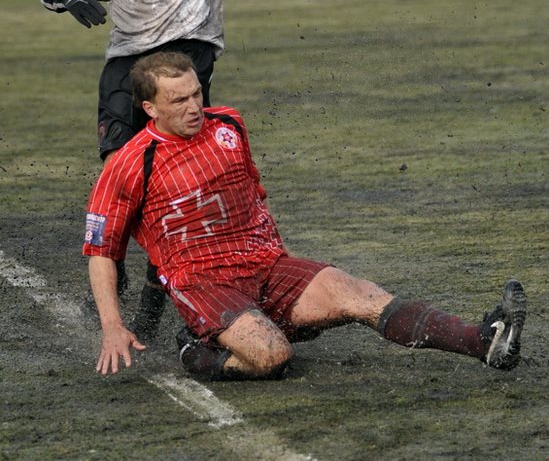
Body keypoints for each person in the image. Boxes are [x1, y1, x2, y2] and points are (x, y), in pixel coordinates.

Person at [83, 52, 528, 380]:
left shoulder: (229, 125)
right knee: (272, 356)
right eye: (179, 100)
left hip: (264, 263)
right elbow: (101, 251)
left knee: (359, 293)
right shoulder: (129, 164)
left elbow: (252, 195)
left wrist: (285, 260)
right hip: (203, 282)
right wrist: (112, 326)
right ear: (150, 109)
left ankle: (483, 341)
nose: (194, 106)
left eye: (197, 93)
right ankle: (196, 350)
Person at [40, 0, 280, 340]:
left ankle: (156, 289)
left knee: (174, 180)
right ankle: (119, 263)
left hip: (190, 53)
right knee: (119, 172)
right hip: (130, 59)